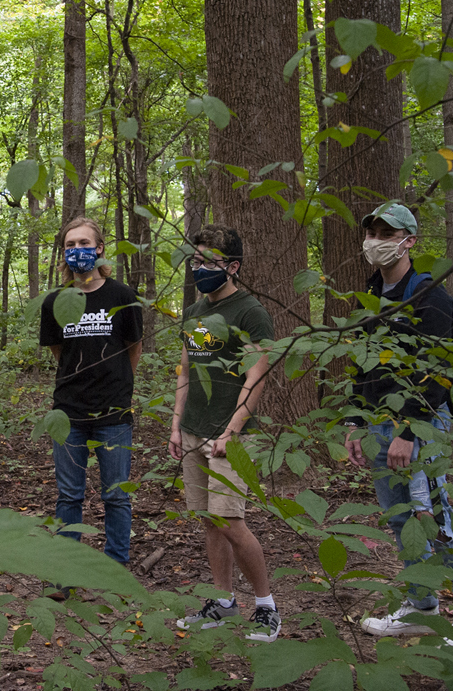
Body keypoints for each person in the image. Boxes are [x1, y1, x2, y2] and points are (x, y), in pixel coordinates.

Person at [344, 202, 453, 647]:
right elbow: (361, 365)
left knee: (433, 515)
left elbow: (438, 373)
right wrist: (355, 421)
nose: (376, 241)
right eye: (372, 231)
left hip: (421, 425)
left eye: (387, 233)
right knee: (399, 518)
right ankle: (421, 603)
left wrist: (409, 433)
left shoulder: (431, 297)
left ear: (409, 241)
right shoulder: (369, 296)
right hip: (375, 422)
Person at [170, 224, 280, 643]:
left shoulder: (250, 312)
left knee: (231, 520)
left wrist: (232, 433)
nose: (200, 268)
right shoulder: (196, 311)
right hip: (194, 430)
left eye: (209, 262)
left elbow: (258, 377)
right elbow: (186, 368)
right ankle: (222, 601)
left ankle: (267, 607)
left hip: (231, 436)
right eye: (195, 261)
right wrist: (176, 424)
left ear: (232, 267)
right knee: (209, 521)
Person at [39, 217, 143, 571]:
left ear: (99, 249)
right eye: (70, 245)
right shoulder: (55, 300)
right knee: (69, 495)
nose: (77, 251)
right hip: (68, 413)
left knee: (116, 496)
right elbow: (58, 351)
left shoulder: (122, 295)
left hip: (113, 412)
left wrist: (118, 385)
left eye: (84, 243)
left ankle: (115, 568)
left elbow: (133, 346)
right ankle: (66, 570)